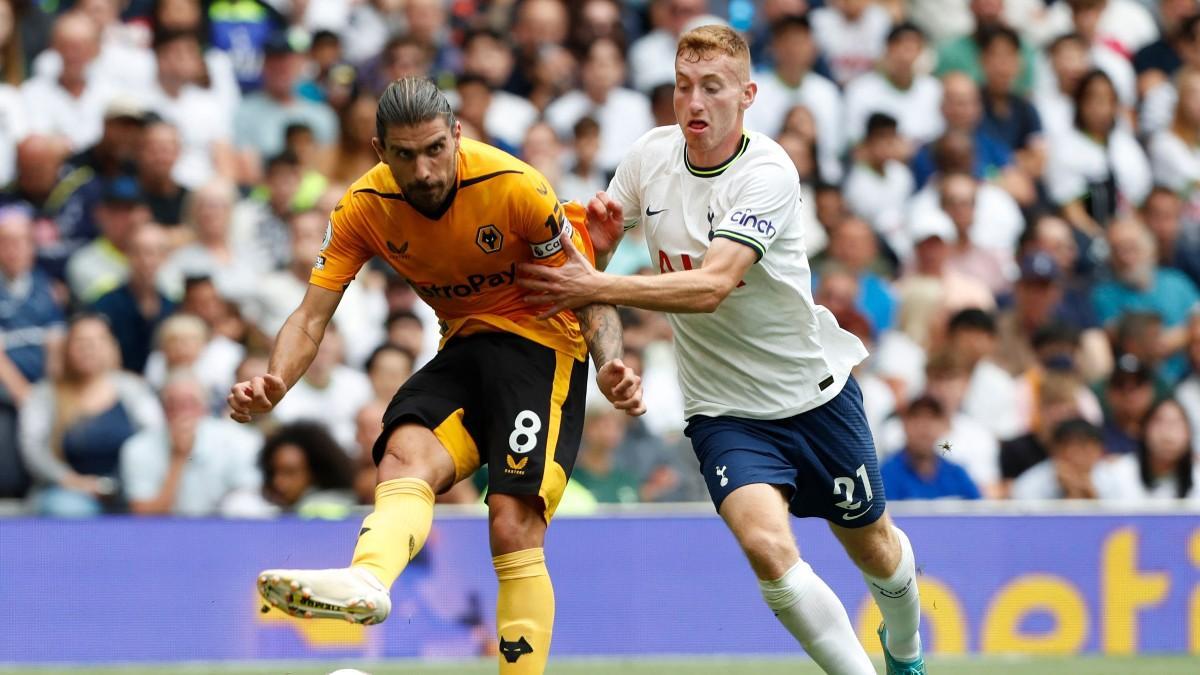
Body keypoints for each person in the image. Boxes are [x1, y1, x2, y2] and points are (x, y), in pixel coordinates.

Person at [518, 25, 925, 675]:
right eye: (683, 87)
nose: (694, 102)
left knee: (875, 547)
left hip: (813, 396)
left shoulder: (768, 172)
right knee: (767, 548)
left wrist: (596, 277)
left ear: (747, 95)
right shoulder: (648, 158)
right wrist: (610, 358)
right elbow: (591, 263)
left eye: (712, 87)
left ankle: (905, 654)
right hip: (723, 412)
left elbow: (709, 285)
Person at [229, 77, 642, 674]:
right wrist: (275, 381)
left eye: (433, 151)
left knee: (511, 519)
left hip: (543, 348)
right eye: (404, 155)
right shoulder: (362, 208)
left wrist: (610, 365)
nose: (422, 171)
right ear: (379, 151)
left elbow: (588, 289)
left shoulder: (515, 187)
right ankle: (368, 578)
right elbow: (311, 316)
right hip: (465, 345)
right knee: (402, 452)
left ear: (456, 136)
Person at [880, 395, 981, 501]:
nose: (924, 428)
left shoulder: (956, 474)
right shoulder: (886, 475)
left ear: (943, 427)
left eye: (932, 419)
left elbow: (979, 512)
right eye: (917, 419)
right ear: (904, 424)